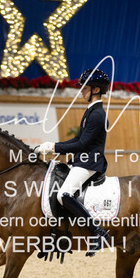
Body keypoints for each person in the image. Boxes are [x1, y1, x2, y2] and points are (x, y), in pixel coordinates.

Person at [35, 69, 111, 256]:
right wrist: (54, 146)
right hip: (81, 160)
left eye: (85, 88)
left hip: (89, 163)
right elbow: (77, 139)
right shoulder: (91, 111)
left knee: (64, 194)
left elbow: (82, 144)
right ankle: (57, 235)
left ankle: (97, 231)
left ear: (95, 90)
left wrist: (53, 147)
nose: (81, 91)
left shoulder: (97, 114)